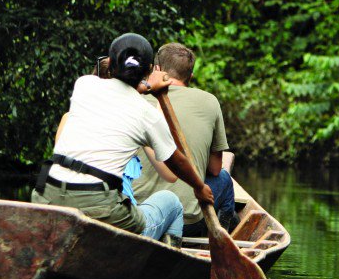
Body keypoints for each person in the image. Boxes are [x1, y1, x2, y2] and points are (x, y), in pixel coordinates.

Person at [31, 33, 213, 248]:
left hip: (46, 195)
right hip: (99, 207)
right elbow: (176, 164)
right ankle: (164, 265)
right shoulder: (147, 113)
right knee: (172, 203)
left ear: (110, 63)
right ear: (148, 71)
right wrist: (200, 187)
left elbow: (119, 91)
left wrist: (145, 86)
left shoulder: (84, 84)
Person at [131, 42, 238, 237]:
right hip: (190, 221)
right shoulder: (209, 101)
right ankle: (221, 236)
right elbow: (214, 169)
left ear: (156, 69)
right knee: (224, 178)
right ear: (191, 76)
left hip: (137, 215)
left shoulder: (134, 99)